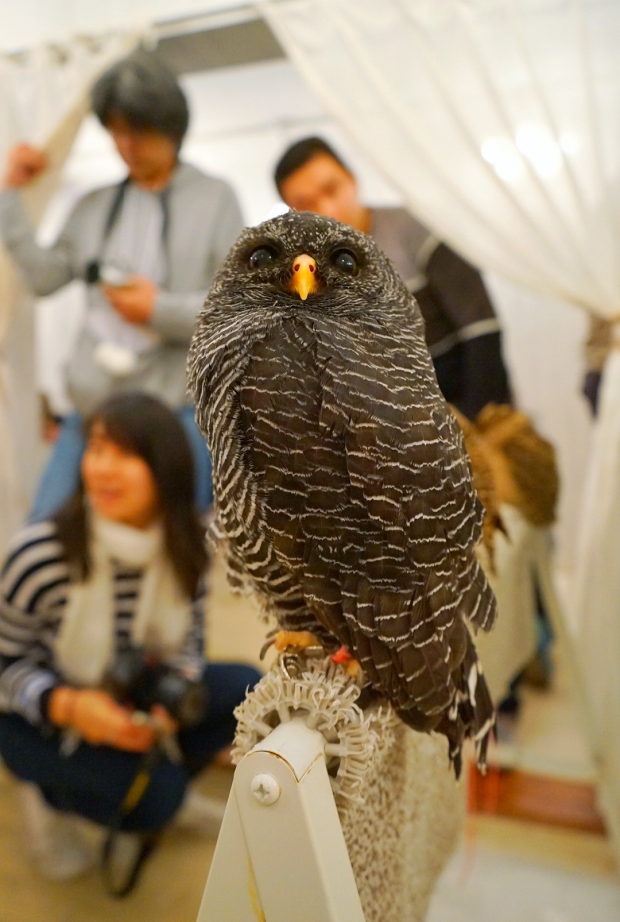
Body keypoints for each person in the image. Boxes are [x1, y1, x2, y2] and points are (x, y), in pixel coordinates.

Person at [0, 393, 261, 894]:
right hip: (42, 712)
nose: (103, 469)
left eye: (126, 454)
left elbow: (189, 647)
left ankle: (133, 779)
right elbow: (6, 663)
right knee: (156, 799)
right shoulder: (41, 555)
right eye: (96, 449)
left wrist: (163, 712)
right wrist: (70, 706)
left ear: (165, 467)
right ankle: (59, 796)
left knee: (248, 689)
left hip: (134, 692)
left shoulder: (186, 547)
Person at [0, 51, 244, 520]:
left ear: (171, 128)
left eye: (139, 131)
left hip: (178, 410)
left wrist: (157, 309)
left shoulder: (216, 199)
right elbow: (44, 277)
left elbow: (236, 310)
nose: (126, 145)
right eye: (115, 131)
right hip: (94, 413)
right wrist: (11, 196)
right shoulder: (92, 207)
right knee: (44, 536)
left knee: (182, 540)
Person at [274, 136, 511, 420]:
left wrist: (479, 425)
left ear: (351, 178)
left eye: (331, 189)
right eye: (305, 203)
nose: (326, 209)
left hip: (464, 404)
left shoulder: (414, 227)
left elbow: (481, 326)